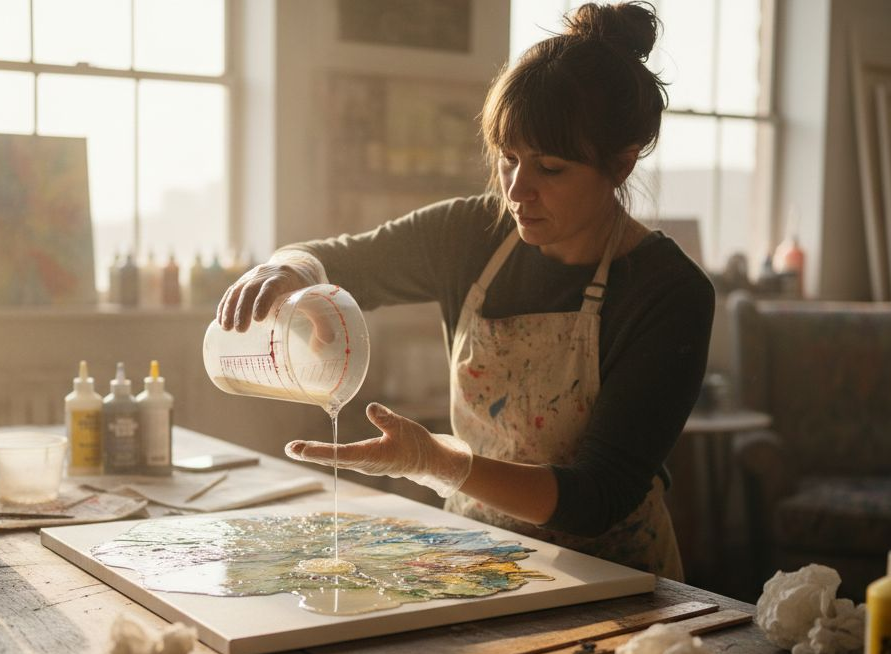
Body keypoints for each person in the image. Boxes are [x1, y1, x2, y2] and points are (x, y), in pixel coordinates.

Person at [216, 2, 713, 580]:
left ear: (621, 165)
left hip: (612, 582)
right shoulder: (470, 234)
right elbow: (341, 258)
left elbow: (597, 499)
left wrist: (436, 462)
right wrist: (289, 270)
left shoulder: (669, 292)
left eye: (550, 168)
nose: (517, 190)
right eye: (508, 159)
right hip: (477, 562)